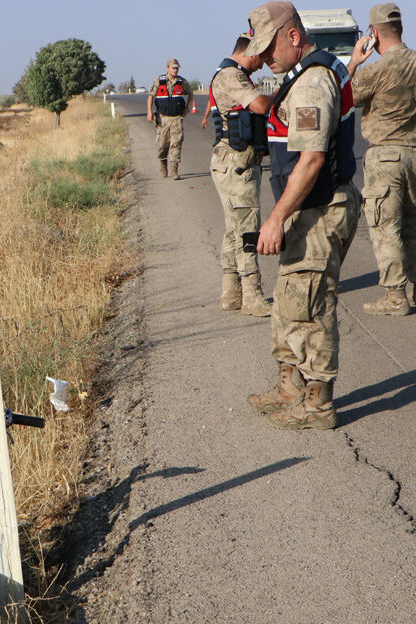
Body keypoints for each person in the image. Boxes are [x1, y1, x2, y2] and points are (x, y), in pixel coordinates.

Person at [242, 1, 361, 430]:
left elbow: (311, 160)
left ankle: (318, 405)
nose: (264, 57)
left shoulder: (312, 81)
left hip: (320, 208)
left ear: (294, 36)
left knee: (311, 305)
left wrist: (274, 219)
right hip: (305, 207)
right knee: (291, 299)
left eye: (269, 47)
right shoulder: (298, 76)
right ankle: (290, 385)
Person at [346, 2, 416, 316]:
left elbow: (340, 98)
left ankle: (395, 297)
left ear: (373, 34)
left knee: (385, 227)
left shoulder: (375, 70)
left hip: (385, 157)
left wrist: (353, 63)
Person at [202, 34, 273, 317]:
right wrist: (281, 94)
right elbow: (259, 106)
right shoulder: (232, 75)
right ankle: (252, 296)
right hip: (237, 164)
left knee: (233, 229)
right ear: (249, 52)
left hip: (230, 162)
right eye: (261, 58)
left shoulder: (230, 73)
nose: (262, 65)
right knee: (246, 230)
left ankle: (231, 292)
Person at [147, 59, 194, 180]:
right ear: (167, 68)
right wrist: (149, 112)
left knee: (176, 144)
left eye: (177, 68)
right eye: (173, 68)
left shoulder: (181, 82)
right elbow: (151, 97)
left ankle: (174, 170)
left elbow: (190, 93)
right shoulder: (160, 81)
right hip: (162, 118)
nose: (175, 70)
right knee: (162, 145)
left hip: (176, 118)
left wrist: (187, 109)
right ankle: (163, 164)